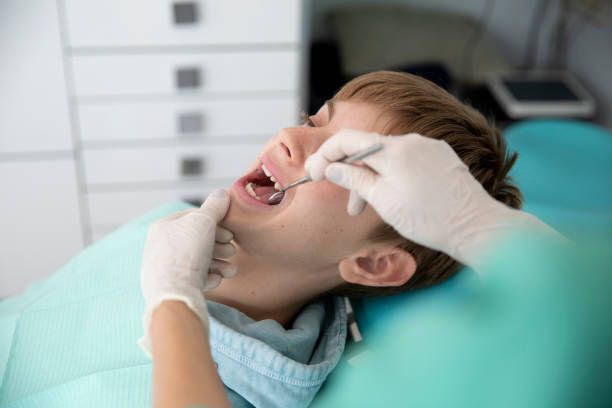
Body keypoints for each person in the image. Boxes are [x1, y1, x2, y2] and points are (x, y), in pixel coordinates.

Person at [139, 71, 558, 407]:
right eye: (313, 121)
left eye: (340, 156)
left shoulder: (240, 388)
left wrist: (173, 302)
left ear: (375, 263)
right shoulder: (164, 225)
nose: (290, 135)